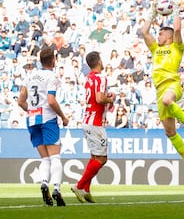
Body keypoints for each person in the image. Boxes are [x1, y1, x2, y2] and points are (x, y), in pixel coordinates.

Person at [141, 0, 184, 183]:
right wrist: (152, 11)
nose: (157, 37)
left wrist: (175, 10)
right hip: (159, 90)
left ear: (168, 36)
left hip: (173, 84)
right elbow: (144, 31)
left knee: (168, 100)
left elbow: (178, 29)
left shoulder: (176, 47)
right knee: (169, 132)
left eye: (160, 34)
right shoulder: (155, 49)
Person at [17, 47, 69, 207]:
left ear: (40, 60)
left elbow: (20, 101)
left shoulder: (29, 76)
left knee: (45, 158)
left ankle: (44, 183)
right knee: (55, 157)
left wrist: (31, 111)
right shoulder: (51, 77)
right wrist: (63, 116)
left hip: (32, 120)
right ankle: (57, 189)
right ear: (53, 60)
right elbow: (51, 101)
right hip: (47, 119)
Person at [71, 51, 116, 203]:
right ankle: (79, 186)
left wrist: (106, 98)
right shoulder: (101, 77)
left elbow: (94, 97)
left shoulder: (88, 78)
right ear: (99, 61)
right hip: (96, 123)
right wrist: (110, 98)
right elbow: (99, 98)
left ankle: (86, 190)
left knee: (94, 157)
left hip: (87, 120)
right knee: (102, 159)